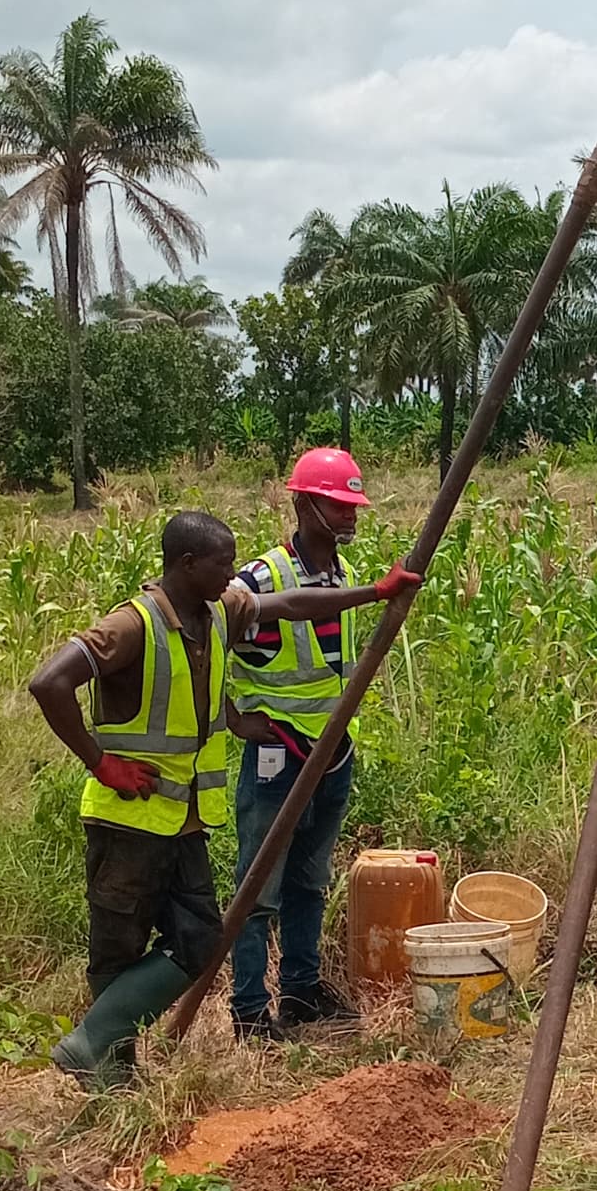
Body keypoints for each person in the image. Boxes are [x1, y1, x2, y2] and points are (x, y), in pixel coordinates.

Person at [28, 506, 410, 1083]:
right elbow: (48, 682)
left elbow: (293, 606)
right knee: (119, 946)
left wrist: (373, 592)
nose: (233, 575)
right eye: (222, 564)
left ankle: (96, 1041)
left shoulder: (216, 611)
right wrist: (101, 762)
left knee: (204, 940)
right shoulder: (132, 625)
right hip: (126, 818)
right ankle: (108, 1063)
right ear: (186, 564)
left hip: (184, 819)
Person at [228, 446, 392, 1041]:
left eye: (353, 504)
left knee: (309, 881)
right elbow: (197, 637)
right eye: (335, 504)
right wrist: (233, 718)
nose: (349, 515)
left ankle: (300, 991)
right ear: (303, 505)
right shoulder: (261, 579)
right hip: (278, 762)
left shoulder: (341, 576)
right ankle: (249, 1012)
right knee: (258, 890)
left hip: (332, 755)